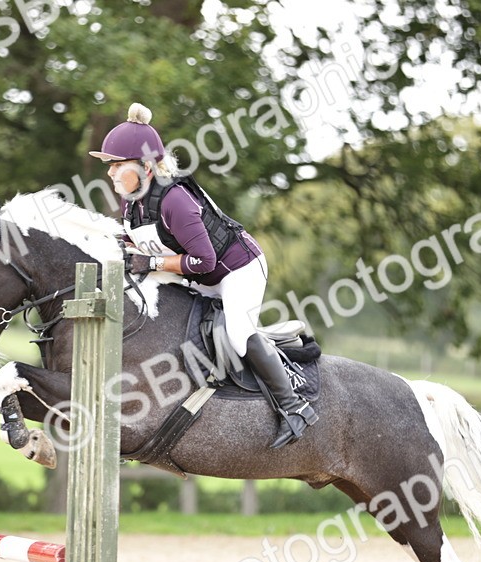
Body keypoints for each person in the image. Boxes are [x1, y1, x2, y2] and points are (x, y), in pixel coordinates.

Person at [89, 102, 317, 448]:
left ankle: (294, 406)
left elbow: (204, 261)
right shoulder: (132, 203)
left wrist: (150, 264)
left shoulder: (174, 201)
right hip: (200, 276)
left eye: (118, 165)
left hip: (237, 269)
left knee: (238, 333)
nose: (111, 173)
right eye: (111, 166)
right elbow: (138, 244)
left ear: (146, 166)